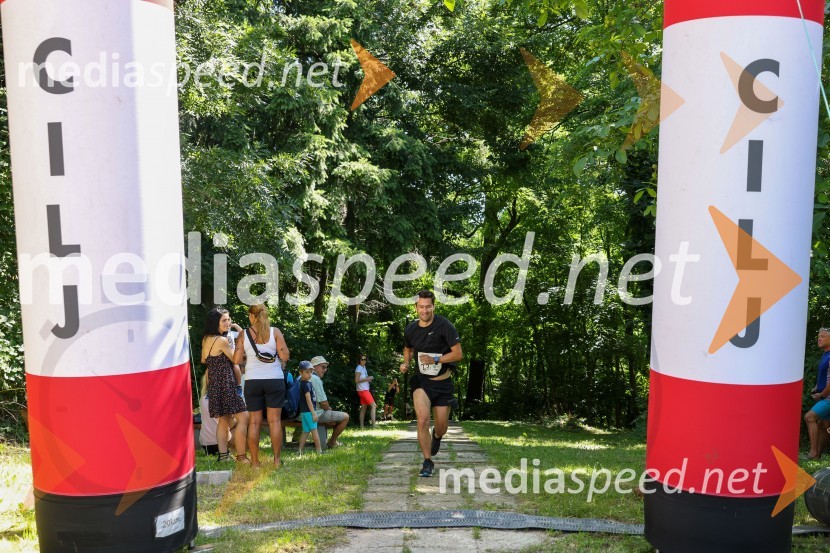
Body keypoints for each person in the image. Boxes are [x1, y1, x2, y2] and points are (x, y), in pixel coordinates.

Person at [400, 290, 462, 477]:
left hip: (443, 384)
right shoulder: (410, 329)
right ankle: (427, 461)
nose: (425, 310)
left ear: (433, 306)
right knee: (422, 420)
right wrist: (406, 363)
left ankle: (437, 435)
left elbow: (458, 354)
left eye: (428, 306)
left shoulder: (445, 326)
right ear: (416, 307)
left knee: (441, 427)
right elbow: (408, 348)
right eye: (421, 306)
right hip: (421, 382)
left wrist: (436, 360)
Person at [234, 303, 290, 468]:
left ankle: (256, 463)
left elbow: (236, 360)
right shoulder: (275, 332)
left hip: (253, 381)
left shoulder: (243, 334)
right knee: (275, 421)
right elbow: (284, 356)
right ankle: (277, 460)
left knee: (254, 422)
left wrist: (247, 356)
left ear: (252, 316)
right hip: (274, 379)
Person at [201, 308, 249, 463]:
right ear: (215, 322)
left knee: (224, 420)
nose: (228, 323)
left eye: (229, 319)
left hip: (215, 384)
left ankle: (223, 456)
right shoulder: (221, 340)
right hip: (226, 384)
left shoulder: (206, 339)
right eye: (224, 320)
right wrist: (237, 344)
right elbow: (237, 360)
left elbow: (203, 360)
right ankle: (241, 457)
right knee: (244, 417)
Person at [309, 355, 350, 448]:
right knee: (345, 417)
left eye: (326, 368)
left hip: (301, 413)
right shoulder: (315, 379)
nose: (325, 370)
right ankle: (332, 442)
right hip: (315, 414)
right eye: (323, 367)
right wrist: (328, 409)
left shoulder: (302, 376)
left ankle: (323, 442)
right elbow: (323, 403)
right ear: (314, 367)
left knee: (331, 419)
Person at [805, 327, 830, 459]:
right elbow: (825, 376)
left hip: (828, 398)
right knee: (824, 424)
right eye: (819, 336)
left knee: (809, 417)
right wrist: (817, 388)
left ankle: (813, 453)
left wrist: (822, 395)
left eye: (823, 336)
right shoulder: (825, 354)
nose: (819, 339)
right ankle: (818, 455)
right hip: (826, 396)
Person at [198, 372, 235, 455]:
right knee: (241, 424)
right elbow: (231, 423)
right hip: (220, 443)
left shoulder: (202, 399)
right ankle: (240, 451)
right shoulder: (223, 397)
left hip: (205, 443)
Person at [297, 360, 323, 455]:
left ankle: (300, 450)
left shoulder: (301, 383)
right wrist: (313, 413)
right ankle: (319, 451)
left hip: (303, 412)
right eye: (307, 372)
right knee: (314, 431)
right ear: (300, 372)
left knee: (305, 431)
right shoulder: (307, 384)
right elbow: (308, 400)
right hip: (309, 412)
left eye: (311, 372)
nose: (310, 374)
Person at [355, 354, 376, 428]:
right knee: (373, 405)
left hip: (364, 389)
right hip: (363, 390)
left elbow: (364, 378)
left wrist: (369, 378)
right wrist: (367, 379)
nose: (364, 361)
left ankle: (361, 426)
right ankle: (374, 425)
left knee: (364, 408)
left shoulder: (363, 367)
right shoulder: (359, 368)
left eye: (365, 359)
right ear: (359, 360)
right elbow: (356, 380)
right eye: (362, 359)